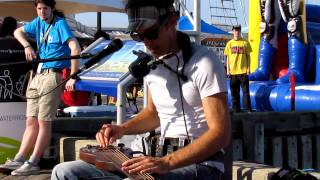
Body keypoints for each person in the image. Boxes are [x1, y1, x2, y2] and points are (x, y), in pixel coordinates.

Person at [51, 0, 231, 179]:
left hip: (200, 164)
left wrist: (167, 162)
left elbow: (220, 133)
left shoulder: (203, 62)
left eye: (151, 34)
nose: (146, 42)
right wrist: (121, 129)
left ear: (172, 22)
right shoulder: (153, 64)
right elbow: (153, 114)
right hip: (158, 156)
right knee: (64, 172)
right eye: (139, 36)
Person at [0, 0, 81, 176]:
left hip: (53, 74)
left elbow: (75, 46)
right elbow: (18, 31)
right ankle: (20, 158)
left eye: (45, 8)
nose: (42, 12)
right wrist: (27, 45)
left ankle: (33, 161)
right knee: (31, 120)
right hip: (38, 75)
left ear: (52, 9)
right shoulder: (37, 22)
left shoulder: (60, 24)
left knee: (44, 122)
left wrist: (73, 76)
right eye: (39, 8)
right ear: (36, 9)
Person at [224, 25, 252, 113]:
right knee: (234, 93)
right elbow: (227, 58)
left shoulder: (245, 42)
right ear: (232, 32)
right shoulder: (229, 43)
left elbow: (248, 56)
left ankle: (247, 109)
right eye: (235, 30)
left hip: (243, 72)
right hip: (233, 73)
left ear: (240, 32)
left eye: (238, 30)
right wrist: (228, 70)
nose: (237, 32)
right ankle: (236, 110)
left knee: (245, 92)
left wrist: (248, 69)